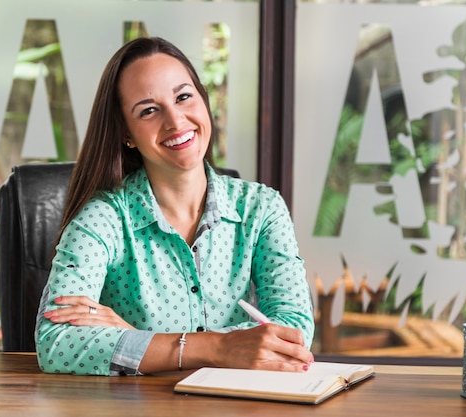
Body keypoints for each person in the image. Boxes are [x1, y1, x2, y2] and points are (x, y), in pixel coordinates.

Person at [35, 36, 314, 376]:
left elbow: (294, 329)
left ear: (203, 100)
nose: (175, 120)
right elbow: (57, 342)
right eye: (149, 110)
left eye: (184, 97)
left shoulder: (262, 207)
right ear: (126, 132)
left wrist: (136, 339)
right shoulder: (102, 217)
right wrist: (219, 348)